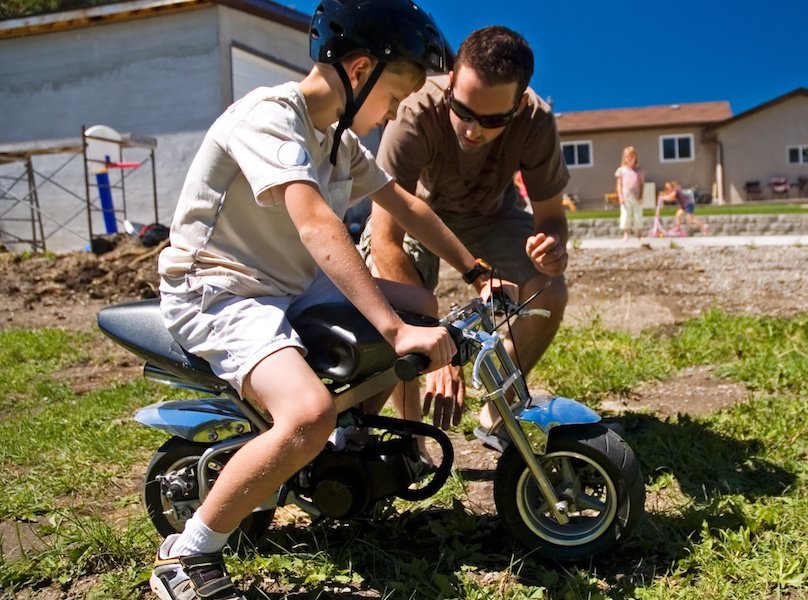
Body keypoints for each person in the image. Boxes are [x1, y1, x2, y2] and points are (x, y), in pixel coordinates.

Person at [149, 2, 495, 599]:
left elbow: (405, 206)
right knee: (309, 414)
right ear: (360, 70)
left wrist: (475, 269)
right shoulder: (268, 118)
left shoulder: (336, 141)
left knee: (420, 301)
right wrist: (392, 333)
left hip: (286, 280)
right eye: (396, 95)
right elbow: (314, 223)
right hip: (221, 287)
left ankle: (350, 448)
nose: (394, 113)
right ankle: (187, 555)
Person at [361, 25, 570, 437]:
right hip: (418, 216)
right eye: (464, 112)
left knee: (551, 289)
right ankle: (411, 438)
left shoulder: (537, 121)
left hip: (491, 216)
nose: (473, 131)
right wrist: (435, 343)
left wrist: (552, 247)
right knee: (389, 295)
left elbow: (552, 218)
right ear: (451, 81)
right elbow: (387, 240)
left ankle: (497, 413)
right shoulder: (413, 113)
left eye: (493, 120)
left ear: (519, 103)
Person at [615, 146, 644, 241]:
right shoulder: (621, 170)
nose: (630, 158)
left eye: (632, 156)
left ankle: (639, 234)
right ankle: (626, 234)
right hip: (626, 197)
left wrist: (641, 196)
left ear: (635, 157)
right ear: (625, 158)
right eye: (628, 157)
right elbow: (619, 185)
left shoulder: (639, 171)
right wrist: (620, 196)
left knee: (638, 216)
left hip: (636, 197)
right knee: (625, 215)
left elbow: (642, 185)